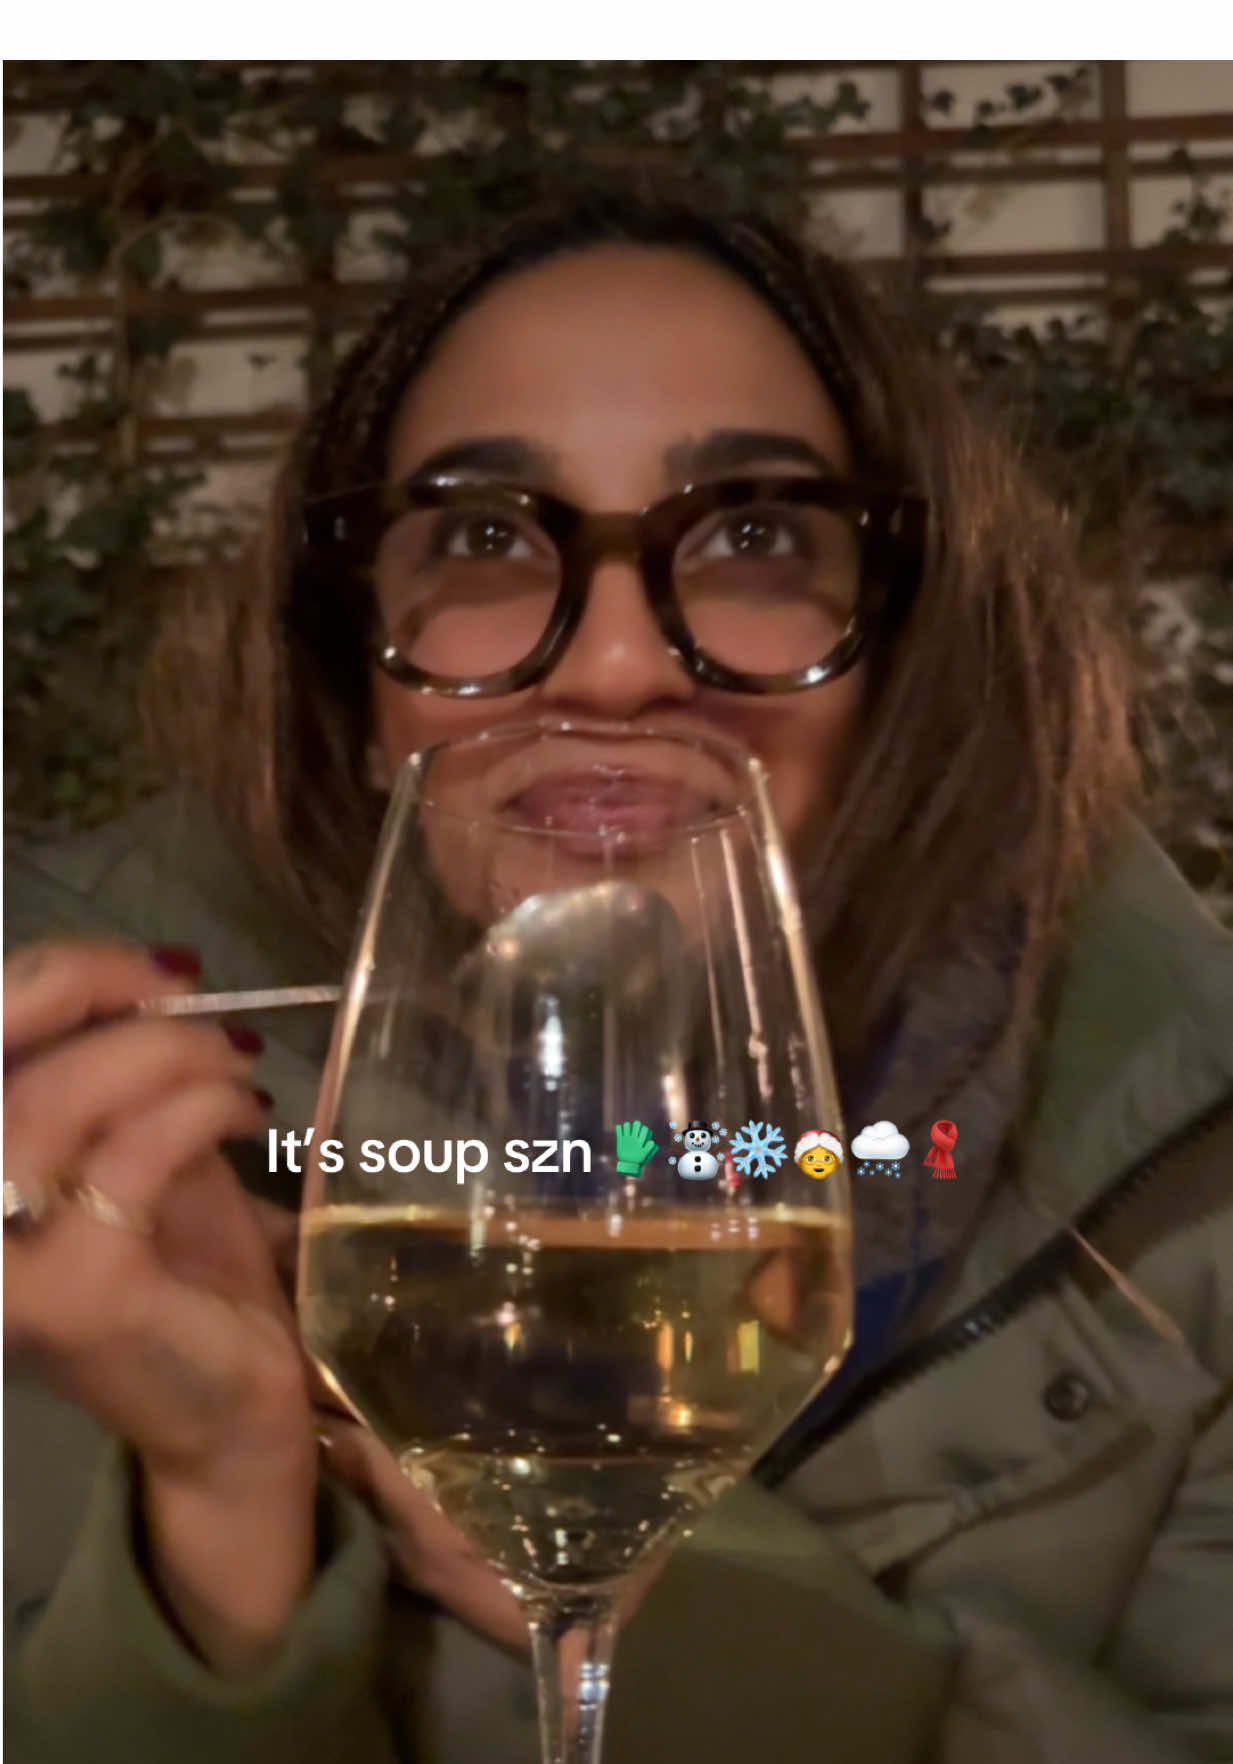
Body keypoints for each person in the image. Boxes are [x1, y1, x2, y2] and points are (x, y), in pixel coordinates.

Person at [4, 190, 1231, 1764]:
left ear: (901, 657)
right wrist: (224, 1496)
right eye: (480, 539)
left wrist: (720, 1629)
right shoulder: (99, 1141)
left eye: (753, 539)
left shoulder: (1185, 1156)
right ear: (348, 677)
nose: (614, 665)